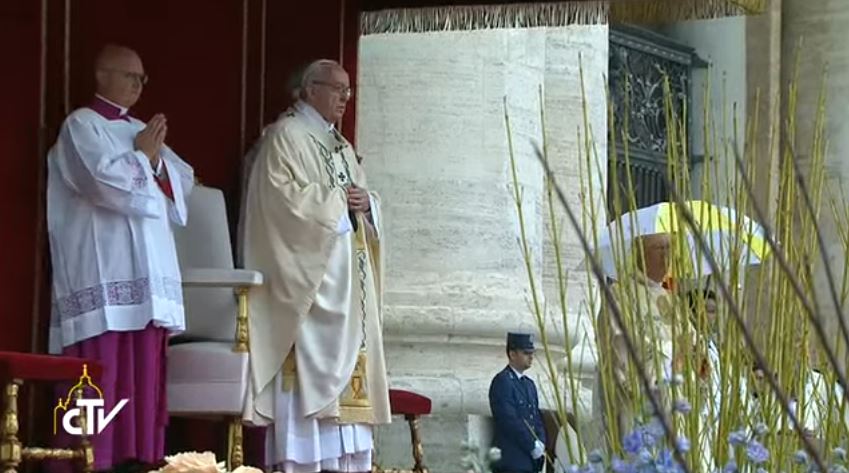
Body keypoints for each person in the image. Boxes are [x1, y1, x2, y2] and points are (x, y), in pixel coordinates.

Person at [46, 44, 194, 470]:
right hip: (103, 274)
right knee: (100, 378)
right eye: (130, 76)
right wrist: (144, 158)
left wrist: (157, 165)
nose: (138, 85)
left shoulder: (141, 129)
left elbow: (181, 183)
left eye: (142, 79)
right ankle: (87, 462)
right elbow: (101, 184)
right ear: (101, 75)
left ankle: (140, 460)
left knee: (142, 380)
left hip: (146, 283)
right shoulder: (81, 126)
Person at [240, 59, 390, 473]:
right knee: (307, 379)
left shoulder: (339, 146)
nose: (345, 97)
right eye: (336, 88)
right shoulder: (286, 136)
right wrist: (338, 203)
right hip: (310, 286)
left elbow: (359, 197)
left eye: (348, 90)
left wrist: (367, 203)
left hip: (348, 289)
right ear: (310, 89)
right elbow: (280, 203)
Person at [591, 233, 694, 454]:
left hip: (676, 401)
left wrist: (694, 353)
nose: (667, 256)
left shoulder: (672, 300)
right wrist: (664, 359)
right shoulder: (620, 295)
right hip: (642, 400)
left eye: (670, 248)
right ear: (640, 252)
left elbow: (692, 343)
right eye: (660, 248)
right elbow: (615, 347)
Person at [489, 332, 547, 473]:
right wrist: (531, 444)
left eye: (532, 352)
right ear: (513, 354)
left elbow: (536, 418)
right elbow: (509, 419)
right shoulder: (503, 381)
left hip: (530, 462)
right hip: (511, 460)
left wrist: (541, 441)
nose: (531, 356)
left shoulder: (529, 384)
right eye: (526, 353)